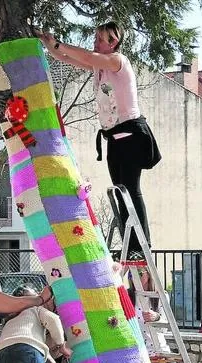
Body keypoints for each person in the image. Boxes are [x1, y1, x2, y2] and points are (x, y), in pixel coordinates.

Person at [38, 21, 161, 257]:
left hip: (132, 136)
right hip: (114, 138)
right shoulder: (98, 66)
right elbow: (67, 57)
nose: (95, 44)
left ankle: (141, 246)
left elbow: (83, 54)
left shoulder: (116, 61)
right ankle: (129, 243)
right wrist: (48, 44)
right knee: (119, 190)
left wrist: (58, 42)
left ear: (113, 42)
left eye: (99, 40)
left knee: (131, 190)